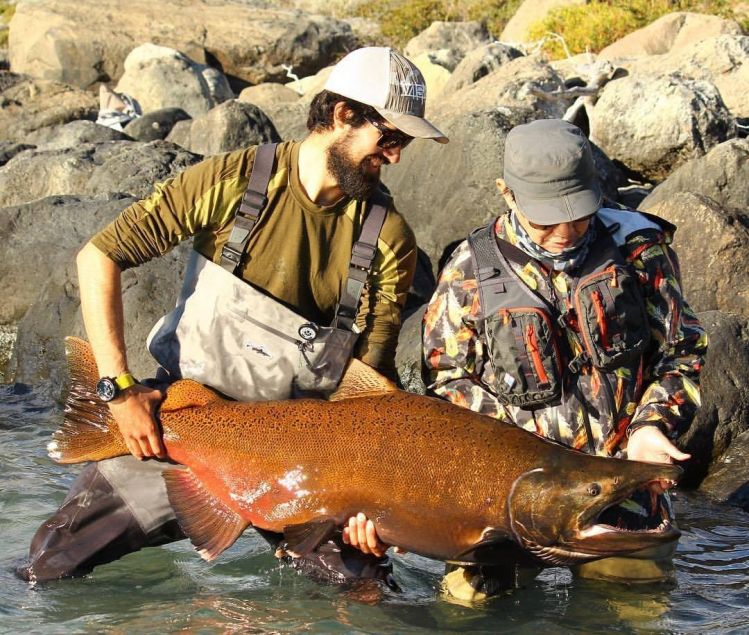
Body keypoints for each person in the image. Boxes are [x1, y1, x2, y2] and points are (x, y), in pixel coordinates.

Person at [17, 46, 448, 584]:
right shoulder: (235, 180)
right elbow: (99, 256)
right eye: (390, 139)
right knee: (46, 570)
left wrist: (377, 503)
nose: (397, 156)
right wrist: (119, 390)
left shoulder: (389, 237)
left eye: (403, 143)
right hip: (181, 434)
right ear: (342, 115)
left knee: (363, 589)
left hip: (303, 464)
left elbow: (371, 390)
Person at [421, 119, 707, 601]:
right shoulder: (467, 270)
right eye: (546, 218)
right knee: (468, 608)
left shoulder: (640, 251)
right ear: (506, 194)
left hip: (621, 499)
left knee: (631, 613)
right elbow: (446, 380)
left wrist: (652, 426)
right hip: (504, 504)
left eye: (577, 214)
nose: (564, 232)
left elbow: (683, 351)